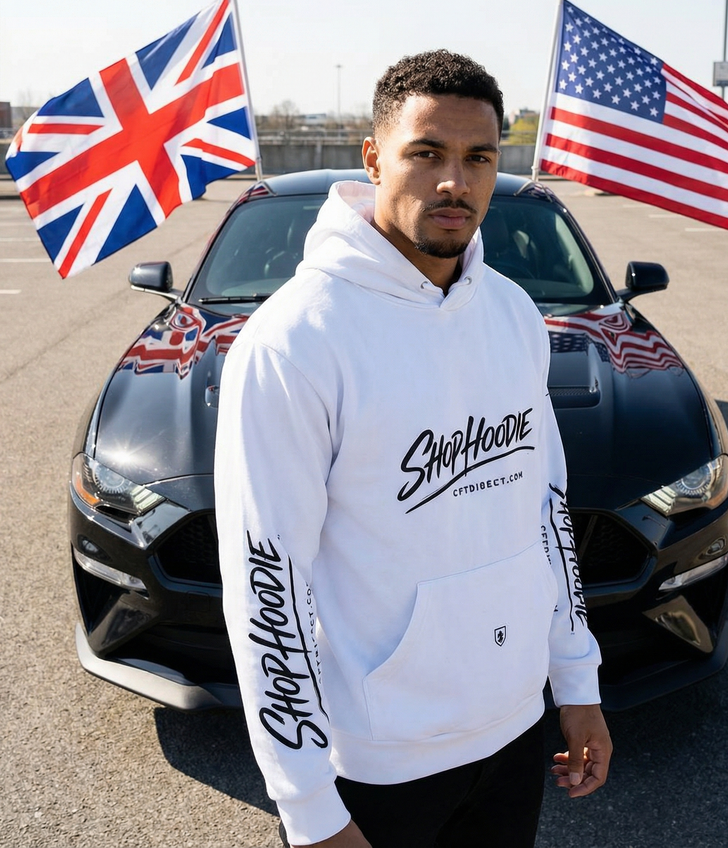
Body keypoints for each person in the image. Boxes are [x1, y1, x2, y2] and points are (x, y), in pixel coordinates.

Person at [215, 49, 612, 848]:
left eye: (478, 158)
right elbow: (267, 583)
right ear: (373, 157)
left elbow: (547, 508)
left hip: (512, 730)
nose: (453, 183)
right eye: (426, 153)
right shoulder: (295, 341)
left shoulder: (512, 314)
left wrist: (576, 680)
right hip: (378, 760)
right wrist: (309, 808)